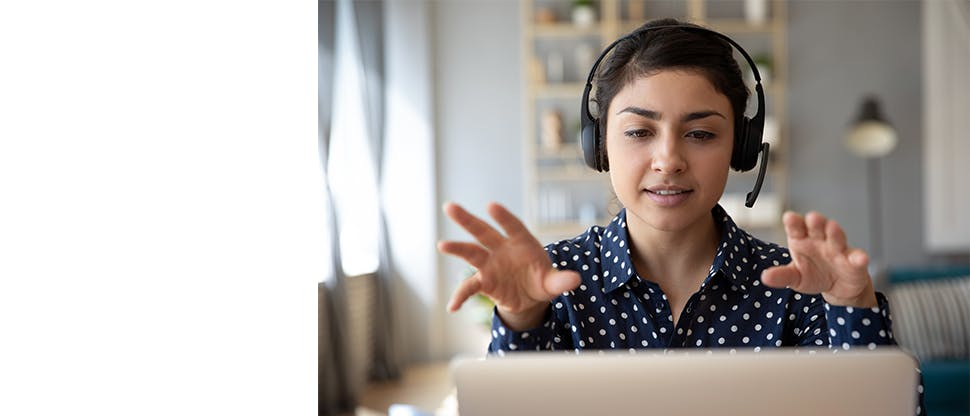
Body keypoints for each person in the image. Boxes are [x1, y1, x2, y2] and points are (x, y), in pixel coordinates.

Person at [437, 18, 924, 414]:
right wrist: (522, 321)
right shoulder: (554, 283)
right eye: (638, 132)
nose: (668, 159)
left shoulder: (798, 286)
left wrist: (852, 308)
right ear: (599, 144)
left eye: (701, 134)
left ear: (741, 147)